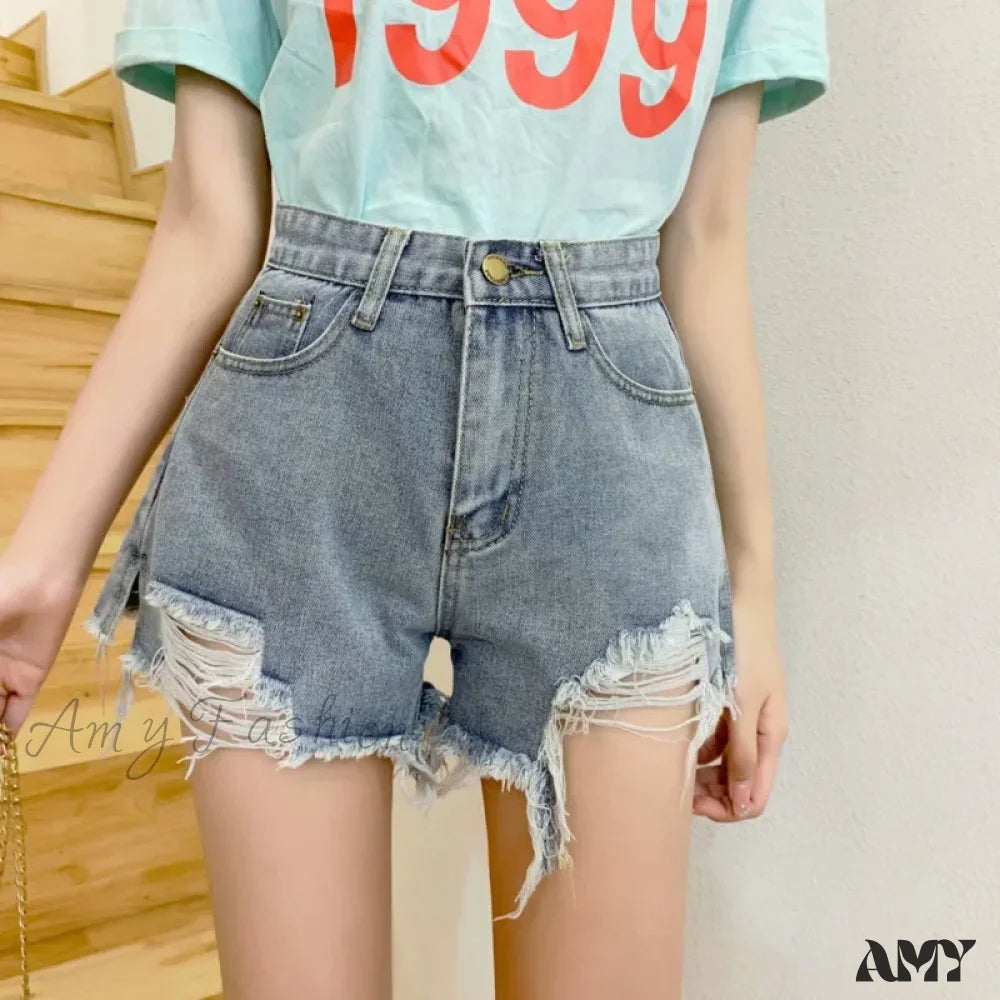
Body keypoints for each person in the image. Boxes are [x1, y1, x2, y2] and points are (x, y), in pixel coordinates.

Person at [0, 1, 829, 997]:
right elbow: (208, 221)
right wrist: (42, 567)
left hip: (611, 475)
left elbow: (706, 237)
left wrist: (752, 592)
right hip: (304, 444)